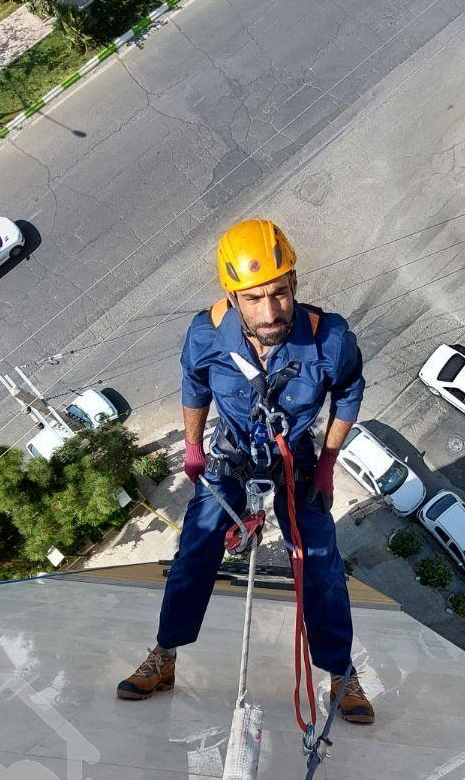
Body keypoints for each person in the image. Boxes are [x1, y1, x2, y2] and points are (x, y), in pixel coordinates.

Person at [117, 218, 375, 725]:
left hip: (294, 458)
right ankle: (165, 656)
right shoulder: (207, 334)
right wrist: (193, 448)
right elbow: (194, 385)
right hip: (233, 454)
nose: (271, 310)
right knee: (194, 552)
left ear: (295, 283)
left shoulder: (330, 339)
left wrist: (327, 463)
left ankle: (341, 672)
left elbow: (348, 392)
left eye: (279, 293)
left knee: (320, 563)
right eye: (254, 298)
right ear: (233, 296)